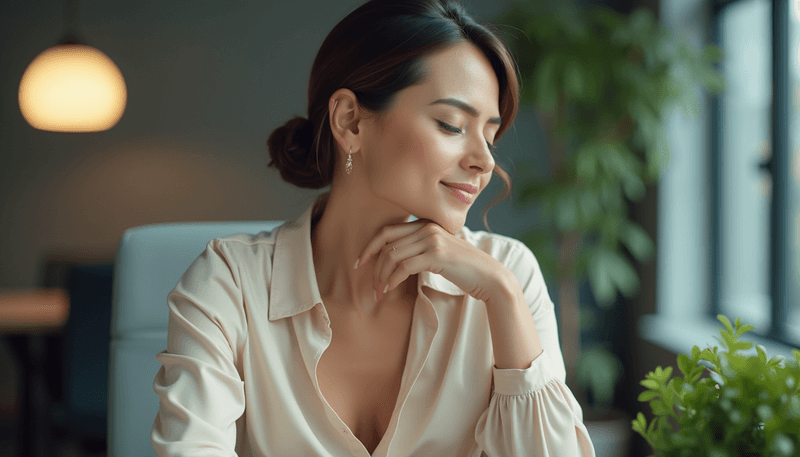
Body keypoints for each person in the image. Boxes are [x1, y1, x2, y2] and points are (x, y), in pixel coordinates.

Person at [151, 0, 595, 455]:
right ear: (350, 121)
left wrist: (502, 295)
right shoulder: (229, 283)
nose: (484, 162)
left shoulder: (507, 274)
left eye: (490, 135)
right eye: (451, 125)